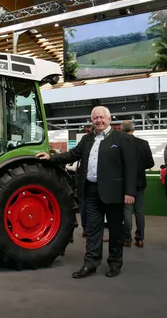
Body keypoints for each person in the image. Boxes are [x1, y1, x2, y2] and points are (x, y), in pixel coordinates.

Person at [36, 106, 137, 279]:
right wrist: (51, 158)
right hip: (91, 191)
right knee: (92, 230)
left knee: (115, 230)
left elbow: (130, 167)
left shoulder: (121, 138)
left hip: (114, 193)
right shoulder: (87, 139)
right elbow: (72, 155)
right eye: (95, 118)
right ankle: (90, 264)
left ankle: (114, 263)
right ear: (92, 120)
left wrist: (129, 192)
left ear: (109, 119)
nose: (99, 120)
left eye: (102, 117)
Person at [120, 121, 154, 248]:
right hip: (140, 181)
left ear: (122, 130)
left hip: (125, 182)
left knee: (126, 211)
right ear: (133, 129)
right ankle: (140, 239)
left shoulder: (120, 143)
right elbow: (150, 163)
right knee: (140, 211)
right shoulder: (143, 143)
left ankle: (126, 239)